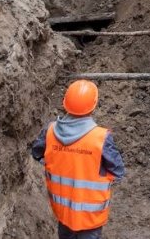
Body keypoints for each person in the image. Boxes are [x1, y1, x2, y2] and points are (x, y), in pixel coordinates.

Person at [31, 80, 125, 239]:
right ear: (94, 105)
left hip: (63, 214)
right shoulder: (101, 138)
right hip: (89, 218)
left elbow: (37, 154)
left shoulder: (50, 131)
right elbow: (118, 171)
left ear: (65, 103)